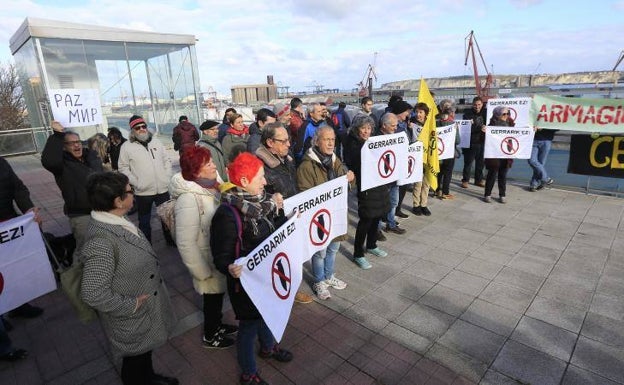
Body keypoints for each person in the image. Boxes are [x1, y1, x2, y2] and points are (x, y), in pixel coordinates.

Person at [80, 171, 177, 385]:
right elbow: (92, 292)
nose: (134, 194)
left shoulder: (116, 220)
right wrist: (130, 305)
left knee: (144, 352)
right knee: (134, 362)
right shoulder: (101, 241)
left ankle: (150, 378)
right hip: (132, 315)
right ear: (118, 201)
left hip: (143, 310)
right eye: (130, 191)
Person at [210, 152, 293, 385]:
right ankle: (248, 372)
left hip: (267, 276)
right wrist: (229, 267)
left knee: (266, 313)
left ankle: (267, 347)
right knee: (248, 326)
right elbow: (221, 256)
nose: (265, 182)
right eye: (261, 177)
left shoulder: (262, 202)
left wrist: (285, 219)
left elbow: (273, 231)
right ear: (244, 182)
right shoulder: (227, 214)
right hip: (245, 284)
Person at [169, 146, 237, 349]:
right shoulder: (189, 199)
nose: (214, 165)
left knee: (218, 297)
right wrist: (201, 272)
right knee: (212, 299)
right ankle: (211, 335)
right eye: (209, 163)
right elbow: (185, 242)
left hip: (218, 255)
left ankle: (217, 326)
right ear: (197, 170)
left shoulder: (214, 185)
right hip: (206, 261)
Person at [255, 122, 314, 304]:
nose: (289, 144)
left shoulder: (286, 158)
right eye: (284, 141)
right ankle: (281, 293)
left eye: (289, 140)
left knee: (294, 258)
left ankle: (292, 289)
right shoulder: (259, 166)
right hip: (275, 223)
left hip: (291, 218)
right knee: (280, 262)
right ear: (270, 142)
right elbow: (258, 198)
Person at [297, 126, 354, 300]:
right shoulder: (307, 166)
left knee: (333, 249)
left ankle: (329, 276)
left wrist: (350, 178)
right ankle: (319, 281)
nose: (331, 143)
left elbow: (349, 182)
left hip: (335, 215)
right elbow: (305, 194)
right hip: (320, 219)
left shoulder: (336, 160)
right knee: (320, 252)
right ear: (317, 141)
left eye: (333, 140)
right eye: (326, 139)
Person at [42, 120, 103, 249]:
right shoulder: (62, 164)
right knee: (85, 251)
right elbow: (49, 161)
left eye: (78, 142)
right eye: (71, 143)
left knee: (103, 245)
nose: (77, 146)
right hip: (81, 215)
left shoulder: (91, 157)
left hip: (102, 210)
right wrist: (57, 134)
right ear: (63, 146)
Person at [0, 156, 43, 332]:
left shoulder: (1, 163)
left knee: (13, 268)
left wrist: (27, 209)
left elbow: (18, 187)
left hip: (8, 222)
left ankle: (19, 304)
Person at [343, 115, 390, 270]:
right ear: (357, 129)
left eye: (369, 128)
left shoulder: (374, 141)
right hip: (366, 185)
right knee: (366, 219)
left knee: (377, 215)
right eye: (363, 128)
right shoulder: (352, 143)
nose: (366, 131)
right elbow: (353, 162)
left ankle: (372, 244)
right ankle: (358, 253)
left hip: (379, 183)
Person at [118, 115, 172, 243]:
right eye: (138, 128)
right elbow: (123, 167)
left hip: (163, 189)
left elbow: (166, 160)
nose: (142, 129)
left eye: (144, 126)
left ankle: (170, 240)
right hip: (143, 191)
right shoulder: (126, 147)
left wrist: (167, 176)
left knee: (167, 217)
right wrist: (136, 182)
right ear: (132, 130)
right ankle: (147, 245)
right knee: (144, 220)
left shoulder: (156, 142)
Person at [378, 113, 406, 235]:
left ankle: (391, 224)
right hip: (382, 178)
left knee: (394, 201)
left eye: (396, 125)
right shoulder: (375, 137)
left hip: (395, 176)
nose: (395, 128)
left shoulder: (398, 135)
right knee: (379, 204)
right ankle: (377, 229)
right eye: (393, 126)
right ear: (384, 125)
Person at [484, 106, 514, 203]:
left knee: (503, 175)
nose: (506, 116)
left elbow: (523, 131)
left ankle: (502, 194)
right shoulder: (490, 126)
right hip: (494, 154)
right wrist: (483, 132)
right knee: (492, 175)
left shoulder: (510, 125)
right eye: (504, 114)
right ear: (497, 114)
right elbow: (484, 140)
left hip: (505, 154)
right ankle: (487, 194)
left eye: (507, 113)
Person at [410, 103, 432, 216]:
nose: (418, 114)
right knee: (417, 183)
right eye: (417, 112)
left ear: (425, 113)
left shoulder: (431, 124)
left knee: (426, 183)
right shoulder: (412, 123)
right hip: (417, 157)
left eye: (420, 112)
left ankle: (424, 204)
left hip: (428, 157)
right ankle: (416, 204)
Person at [435, 99, 460, 200]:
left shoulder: (435, 122)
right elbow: (457, 141)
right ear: (451, 111)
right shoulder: (452, 124)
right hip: (449, 152)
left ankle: (437, 190)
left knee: (439, 172)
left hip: (438, 152)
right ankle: (445, 192)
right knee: (448, 172)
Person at [461, 97, 487, 188]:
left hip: (482, 141)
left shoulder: (486, 113)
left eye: (479, 104)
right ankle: (465, 180)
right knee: (468, 163)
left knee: (480, 163)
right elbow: (466, 129)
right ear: (472, 105)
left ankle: (478, 180)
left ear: (482, 104)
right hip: (470, 142)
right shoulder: (467, 114)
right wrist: (480, 128)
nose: (477, 107)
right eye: (475, 105)